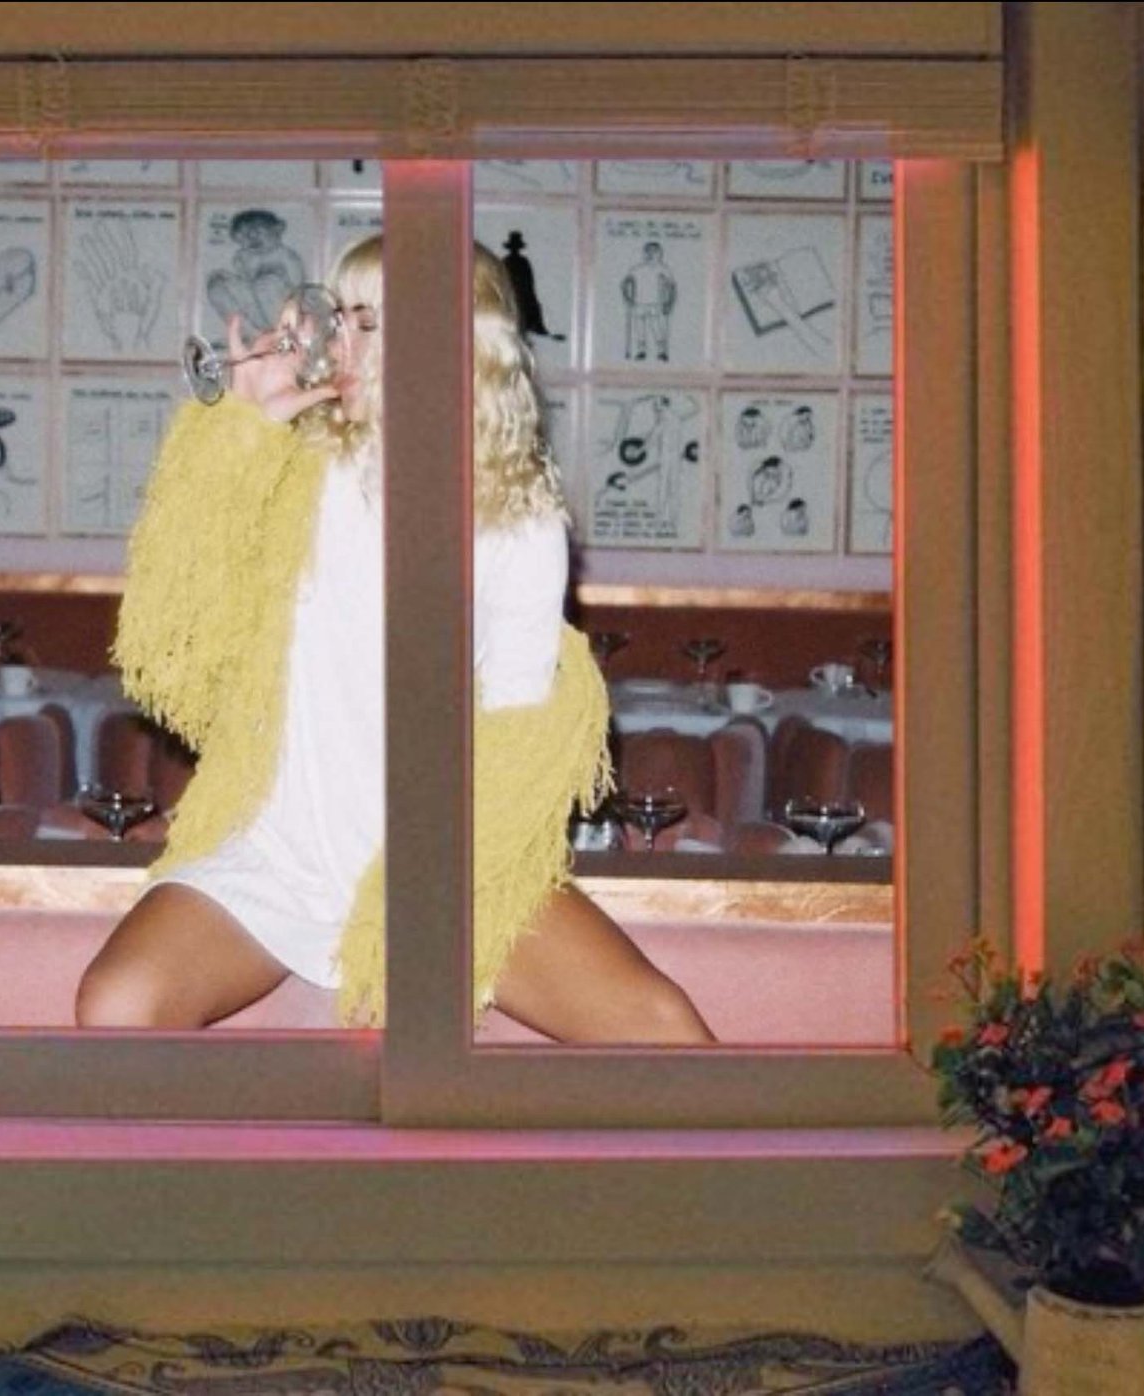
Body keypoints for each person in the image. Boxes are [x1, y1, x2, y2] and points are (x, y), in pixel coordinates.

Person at [77, 237, 714, 1043]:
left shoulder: (519, 523)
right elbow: (172, 628)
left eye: (367, 322)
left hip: (448, 866)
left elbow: (519, 741)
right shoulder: (293, 467)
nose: (336, 341)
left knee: (666, 1032)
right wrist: (241, 429)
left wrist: (433, 888)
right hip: (277, 852)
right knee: (118, 1004)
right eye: (337, 316)